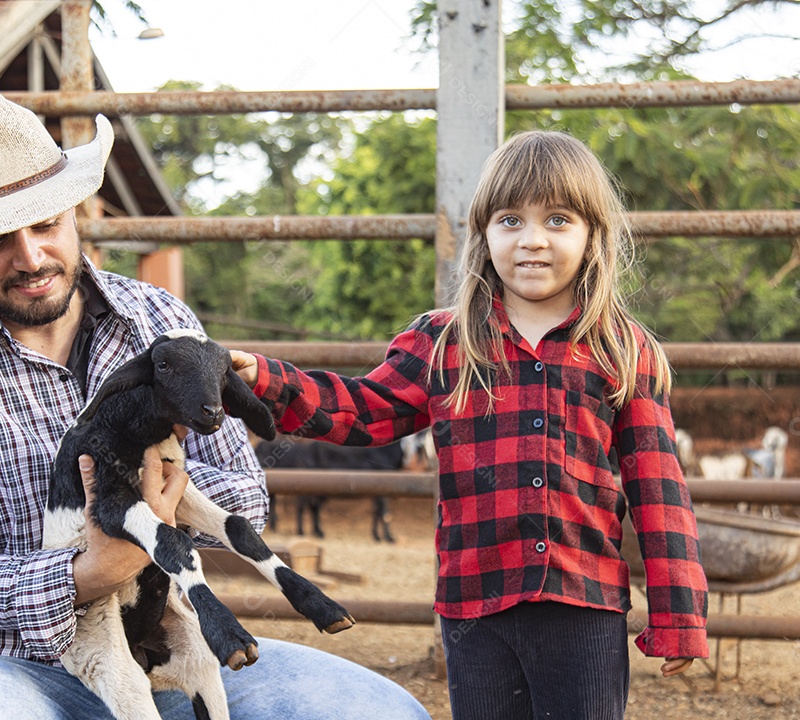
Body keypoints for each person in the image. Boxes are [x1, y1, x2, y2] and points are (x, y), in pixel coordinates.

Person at [0, 84, 430, 720]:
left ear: (75, 211)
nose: (31, 255)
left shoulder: (160, 319)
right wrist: (94, 567)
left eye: (45, 223)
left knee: (381, 712)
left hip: (171, 647)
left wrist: (149, 492)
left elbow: (247, 495)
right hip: (8, 668)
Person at [230, 131, 710, 720]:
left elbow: (658, 488)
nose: (533, 241)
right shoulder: (442, 342)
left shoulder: (621, 349)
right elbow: (361, 409)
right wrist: (265, 379)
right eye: (511, 220)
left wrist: (679, 615)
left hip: (583, 605)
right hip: (474, 606)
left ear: (593, 236)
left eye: (558, 220)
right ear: (483, 234)